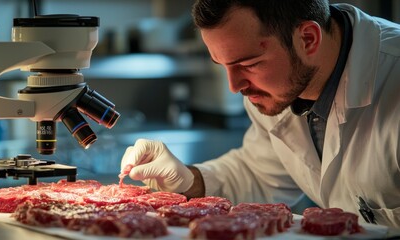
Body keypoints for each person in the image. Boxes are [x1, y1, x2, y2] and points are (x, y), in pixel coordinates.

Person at [120, 0, 400, 228]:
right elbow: (261, 175)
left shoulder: (393, 86)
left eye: (249, 64)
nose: (234, 86)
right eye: (223, 65)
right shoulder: (275, 89)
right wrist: (189, 179)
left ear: (308, 39)